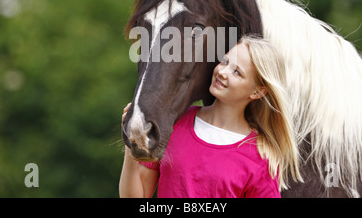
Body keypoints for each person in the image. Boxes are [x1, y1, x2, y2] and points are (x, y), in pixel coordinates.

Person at [119, 35, 302, 198]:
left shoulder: (260, 156)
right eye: (224, 61)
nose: (222, 72)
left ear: (257, 92)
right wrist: (133, 141)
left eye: (236, 72)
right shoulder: (175, 121)